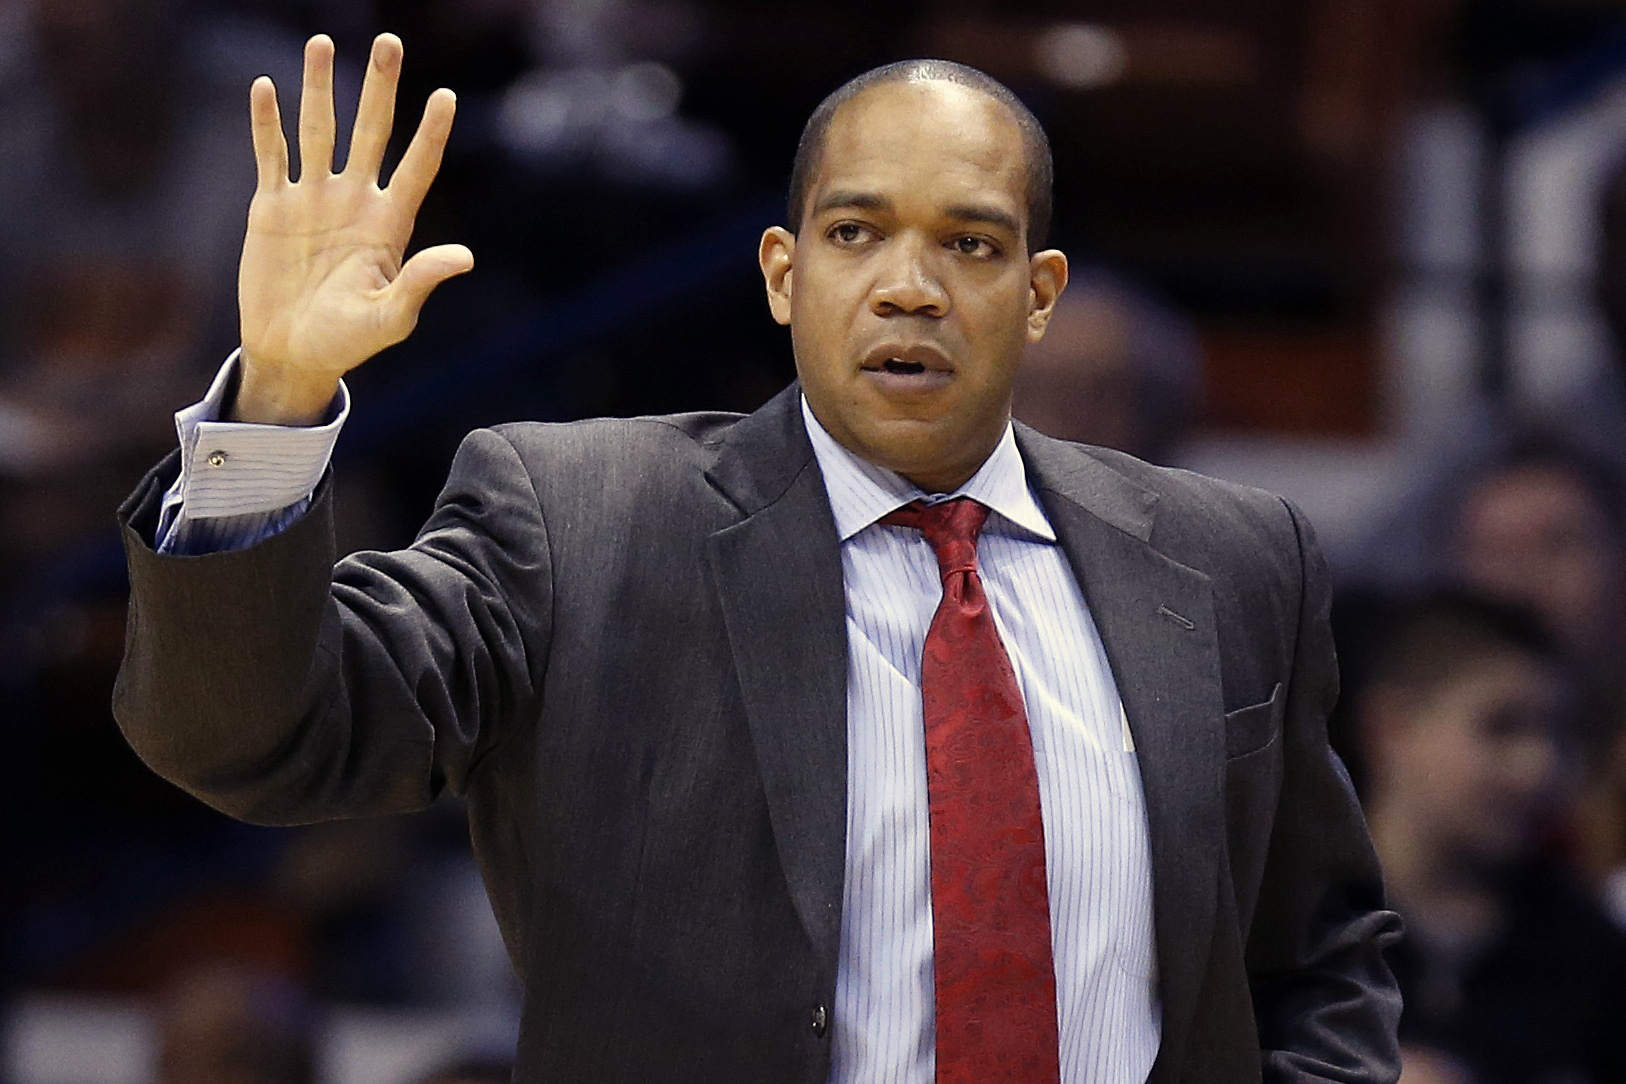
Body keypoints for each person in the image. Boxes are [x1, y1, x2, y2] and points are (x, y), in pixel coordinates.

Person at [113, 32, 1402, 1083]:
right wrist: (274, 399)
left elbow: (1319, 955)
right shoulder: (582, 518)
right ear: (782, 273)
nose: (910, 287)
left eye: (970, 242)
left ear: (1041, 292)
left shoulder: (1232, 562)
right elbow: (253, 734)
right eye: (856, 234)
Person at [1356, 592, 1626, 1084]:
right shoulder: (1291, 928)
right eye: (1501, 726)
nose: (1539, 767)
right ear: (1390, 727)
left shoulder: (1590, 954)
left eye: (1558, 733)